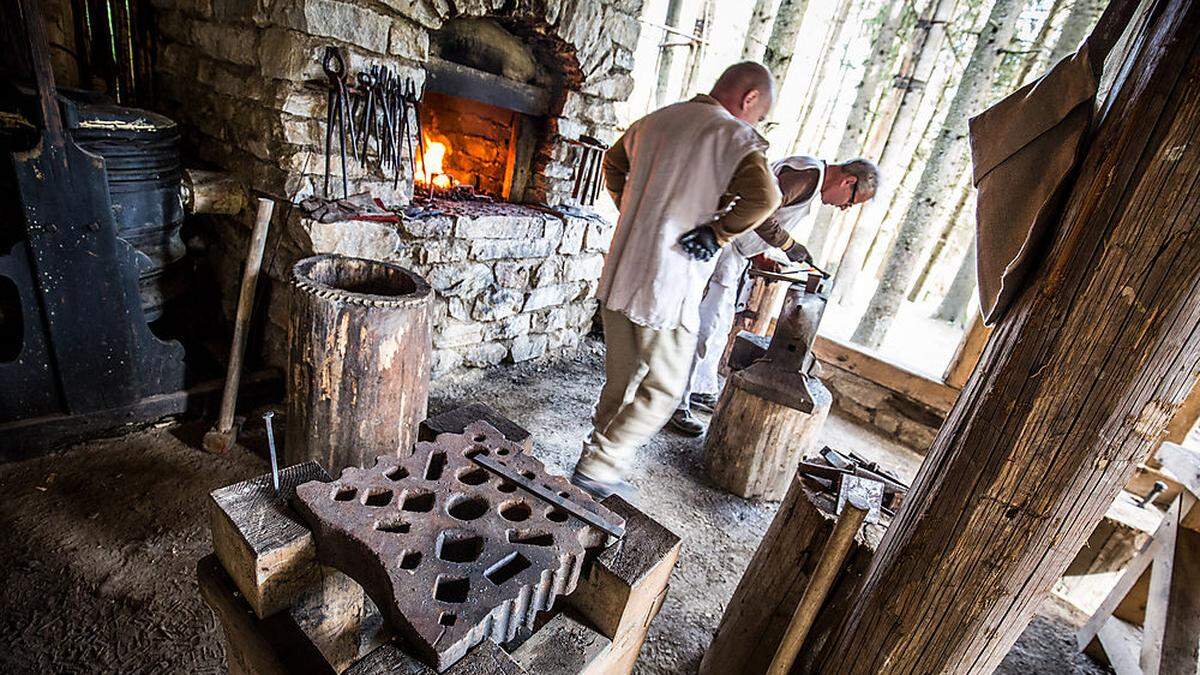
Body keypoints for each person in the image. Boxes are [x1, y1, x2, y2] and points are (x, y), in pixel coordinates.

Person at [570, 62, 784, 498]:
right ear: (749, 100)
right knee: (664, 389)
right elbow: (767, 197)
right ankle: (599, 465)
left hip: (621, 269)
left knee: (622, 379)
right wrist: (716, 232)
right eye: (760, 113)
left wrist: (632, 207)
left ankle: (596, 458)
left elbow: (613, 163)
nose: (756, 121)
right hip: (667, 282)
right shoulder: (733, 136)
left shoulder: (657, 120)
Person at [668, 157, 880, 436]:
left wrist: (763, 254)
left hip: (736, 251)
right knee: (705, 328)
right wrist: (788, 245)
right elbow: (760, 211)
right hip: (724, 245)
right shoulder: (806, 177)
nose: (844, 208)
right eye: (850, 202)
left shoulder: (809, 178)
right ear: (848, 181)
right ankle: (675, 402)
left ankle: (697, 388)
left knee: (717, 328)